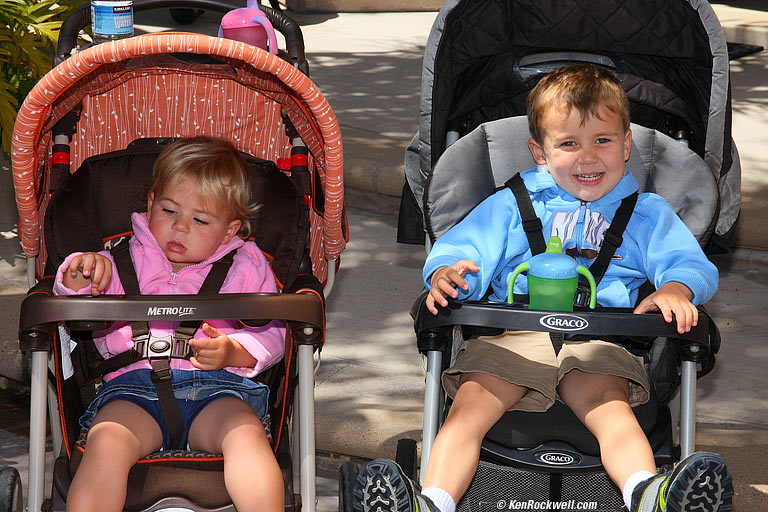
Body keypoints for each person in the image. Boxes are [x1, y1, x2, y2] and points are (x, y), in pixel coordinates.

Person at [355, 64, 732, 512]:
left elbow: (687, 262)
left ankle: (648, 493)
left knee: (612, 412)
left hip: (598, 343)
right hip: (509, 339)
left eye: (603, 141)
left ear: (627, 144)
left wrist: (676, 288)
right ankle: (433, 502)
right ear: (540, 151)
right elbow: (465, 248)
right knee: (468, 410)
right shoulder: (511, 204)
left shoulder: (647, 213)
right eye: (568, 143)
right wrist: (448, 275)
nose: (587, 157)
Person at [54, 136, 286, 512]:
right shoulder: (120, 259)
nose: (180, 228)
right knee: (106, 443)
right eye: (169, 211)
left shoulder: (246, 265)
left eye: (199, 220)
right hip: (131, 391)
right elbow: (77, 296)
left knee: (246, 434)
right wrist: (81, 276)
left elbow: (273, 329)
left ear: (229, 230)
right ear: (149, 205)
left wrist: (235, 351)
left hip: (217, 392)